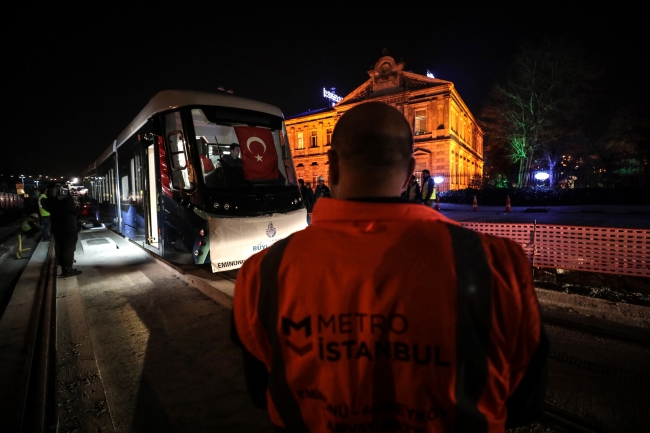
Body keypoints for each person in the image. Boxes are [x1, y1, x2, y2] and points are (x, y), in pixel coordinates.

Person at [232, 102, 548, 432]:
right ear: (410, 172)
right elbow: (525, 404)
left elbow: (261, 393)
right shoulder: (498, 264)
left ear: (333, 167)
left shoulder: (263, 272)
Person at [47, 183, 82, 278]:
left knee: (60, 247)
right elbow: (75, 210)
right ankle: (67, 269)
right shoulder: (66, 202)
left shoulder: (50, 202)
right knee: (68, 249)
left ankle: (63, 265)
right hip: (68, 228)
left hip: (57, 228)